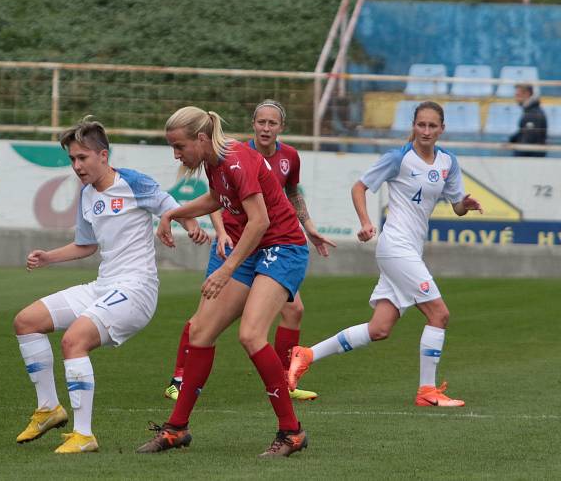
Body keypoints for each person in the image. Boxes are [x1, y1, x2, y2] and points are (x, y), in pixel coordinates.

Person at [136, 106, 334, 458]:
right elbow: (217, 199)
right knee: (200, 332)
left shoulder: (237, 161)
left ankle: (292, 432)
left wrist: (225, 269)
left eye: (179, 147)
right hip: (252, 247)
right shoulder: (214, 162)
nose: (176, 154)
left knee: (251, 334)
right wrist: (172, 212)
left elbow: (259, 222)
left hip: (282, 247)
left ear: (200, 139)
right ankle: (177, 428)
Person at [12, 117, 208, 454]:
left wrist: (190, 225)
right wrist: (49, 257)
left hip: (137, 289)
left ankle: (84, 434)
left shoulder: (132, 182)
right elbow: (86, 245)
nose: (77, 165)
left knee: (74, 341)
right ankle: (48, 409)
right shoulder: (87, 195)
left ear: (103, 155)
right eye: (72, 159)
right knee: (26, 322)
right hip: (105, 285)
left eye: (82, 158)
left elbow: (170, 206)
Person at [288, 101, 483, 407]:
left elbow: (457, 205)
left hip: (409, 252)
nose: (426, 131)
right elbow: (359, 188)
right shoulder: (398, 158)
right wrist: (366, 222)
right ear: (413, 126)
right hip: (395, 248)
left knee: (379, 329)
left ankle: (307, 354)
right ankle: (427, 391)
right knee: (439, 314)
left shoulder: (448, 162)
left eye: (433, 126)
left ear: (442, 129)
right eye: (421, 125)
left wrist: (464, 206)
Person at [509, 83, 547, 158]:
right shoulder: (530, 111)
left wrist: (514, 160)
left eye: (518, 95)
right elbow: (523, 133)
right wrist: (511, 140)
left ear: (527, 94)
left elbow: (528, 141)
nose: (515, 98)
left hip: (531, 161)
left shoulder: (533, 114)